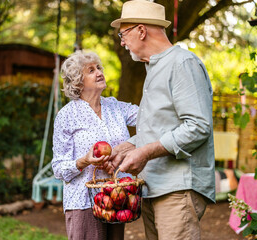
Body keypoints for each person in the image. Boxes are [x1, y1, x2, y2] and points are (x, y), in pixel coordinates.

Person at [106, 0, 216, 239]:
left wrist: (145, 153)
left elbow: (198, 127)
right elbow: (162, 129)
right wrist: (130, 147)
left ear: (141, 30)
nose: (122, 41)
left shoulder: (182, 63)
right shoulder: (154, 69)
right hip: (154, 187)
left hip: (177, 189)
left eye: (123, 34)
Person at [51, 50, 139, 240]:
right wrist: (84, 160)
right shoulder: (67, 115)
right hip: (82, 201)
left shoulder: (115, 107)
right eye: (91, 70)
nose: (99, 72)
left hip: (117, 197)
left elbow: (148, 117)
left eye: (99, 68)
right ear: (77, 82)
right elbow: (58, 168)